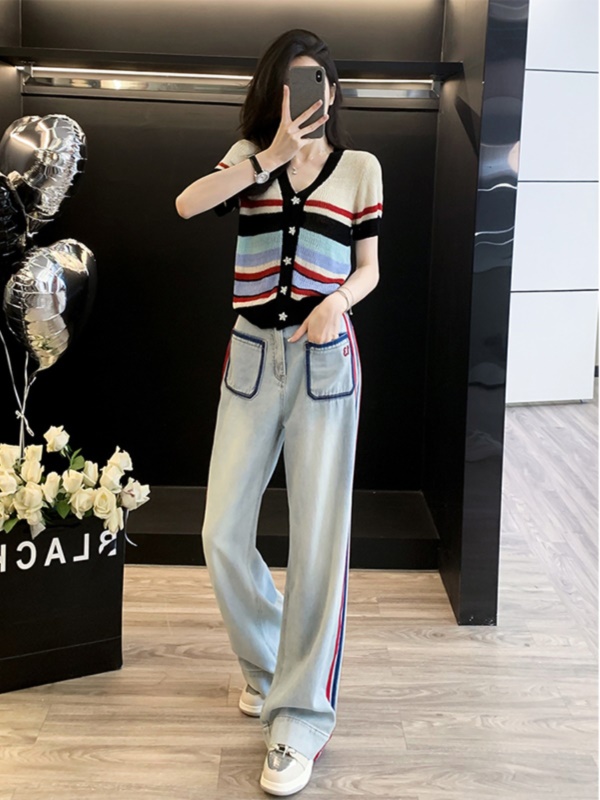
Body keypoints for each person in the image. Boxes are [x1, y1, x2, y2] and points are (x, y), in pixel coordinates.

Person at [175, 28, 383, 797]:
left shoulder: (360, 168)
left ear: (333, 91)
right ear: (275, 90)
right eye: (293, 82)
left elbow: (370, 268)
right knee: (221, 531)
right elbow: (187, 203)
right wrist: (268, 155)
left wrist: (337, 302)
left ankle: (299, 718)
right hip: (252, 356)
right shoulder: (246, 159)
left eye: (318, 80)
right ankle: (270, 667)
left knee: (320, 541)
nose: (307, 94)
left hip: (326, 359)